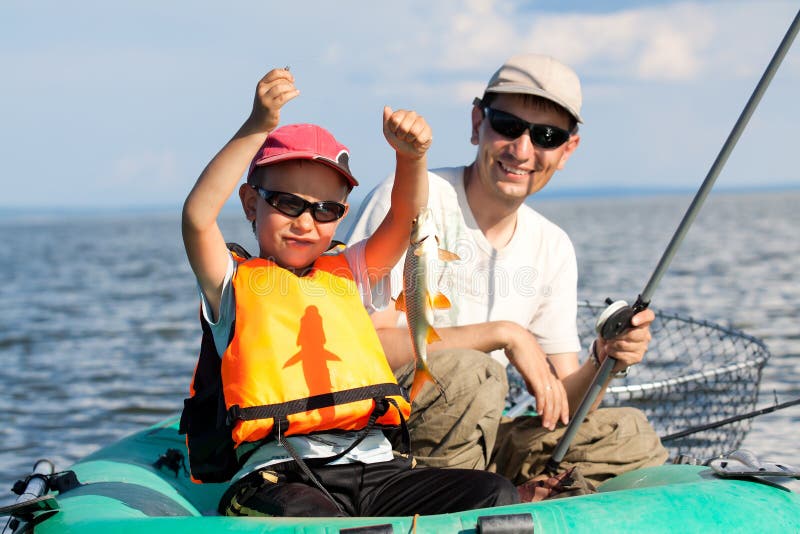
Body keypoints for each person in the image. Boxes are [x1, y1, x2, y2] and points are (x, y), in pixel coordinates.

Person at [181, 68, 518, 517]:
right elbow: (198, 218)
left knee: (495, 494)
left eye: (325, 210)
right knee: (315, 520)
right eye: (287, 203)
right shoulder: (230, 282)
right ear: (249, 203)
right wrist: (257, 127)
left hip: (376, 467)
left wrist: (410, 158)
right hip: (284, 474)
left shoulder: (352, 273)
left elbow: (404, 219)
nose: (306, 222)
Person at [347, 54, 669, 486]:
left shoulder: (552, 245)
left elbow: (563, 405)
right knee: (477, 374)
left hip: (479, 431)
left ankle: (509, 495)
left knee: (629, 434)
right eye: (507, 125)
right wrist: (504, 333)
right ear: (478, 122)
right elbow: (359, 347)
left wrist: (605, 358)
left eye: (547, 136)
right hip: (382, 434)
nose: (522, 150)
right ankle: (456, 499)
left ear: (567, 150)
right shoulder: (408, 197)